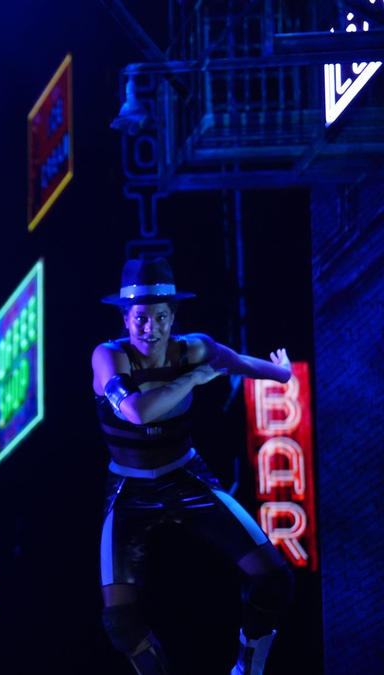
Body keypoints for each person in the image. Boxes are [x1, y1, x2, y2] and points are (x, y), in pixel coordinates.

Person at [91, 258, 295, 675]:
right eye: (141, 318)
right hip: (129, 490)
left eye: (161, 317)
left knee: (276, 579)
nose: (151, 328)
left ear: (173, 317)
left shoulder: (194, 349)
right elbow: (136, 412)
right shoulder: (109, 356)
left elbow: (239, 362)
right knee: (120, 622)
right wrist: (191, 380)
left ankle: (248, 667)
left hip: (186, 476)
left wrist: (281, 373)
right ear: (125, 319)